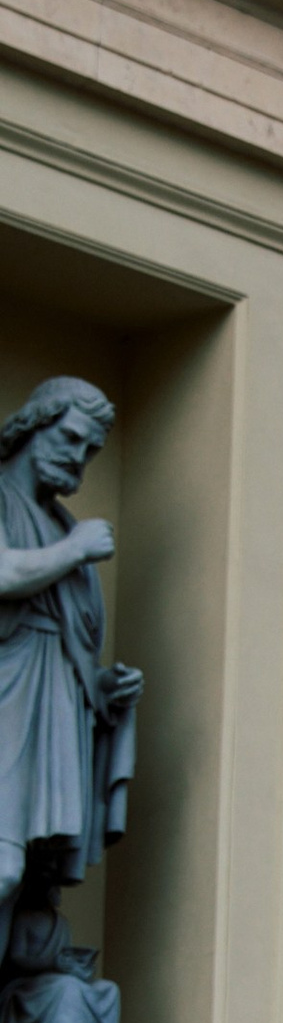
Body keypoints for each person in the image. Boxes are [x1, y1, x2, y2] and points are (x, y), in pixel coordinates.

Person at [0, 376, 138, 984]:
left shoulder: (61, 525)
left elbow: (70, 643)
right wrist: (76, 549)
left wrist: (104, 690)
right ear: (34, 425)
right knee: (2, 868)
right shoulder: (57, 531)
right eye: (71, 438)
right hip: (8, 699)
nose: (79, 458)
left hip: (50, 709)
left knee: (24, 881)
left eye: (91, 450)